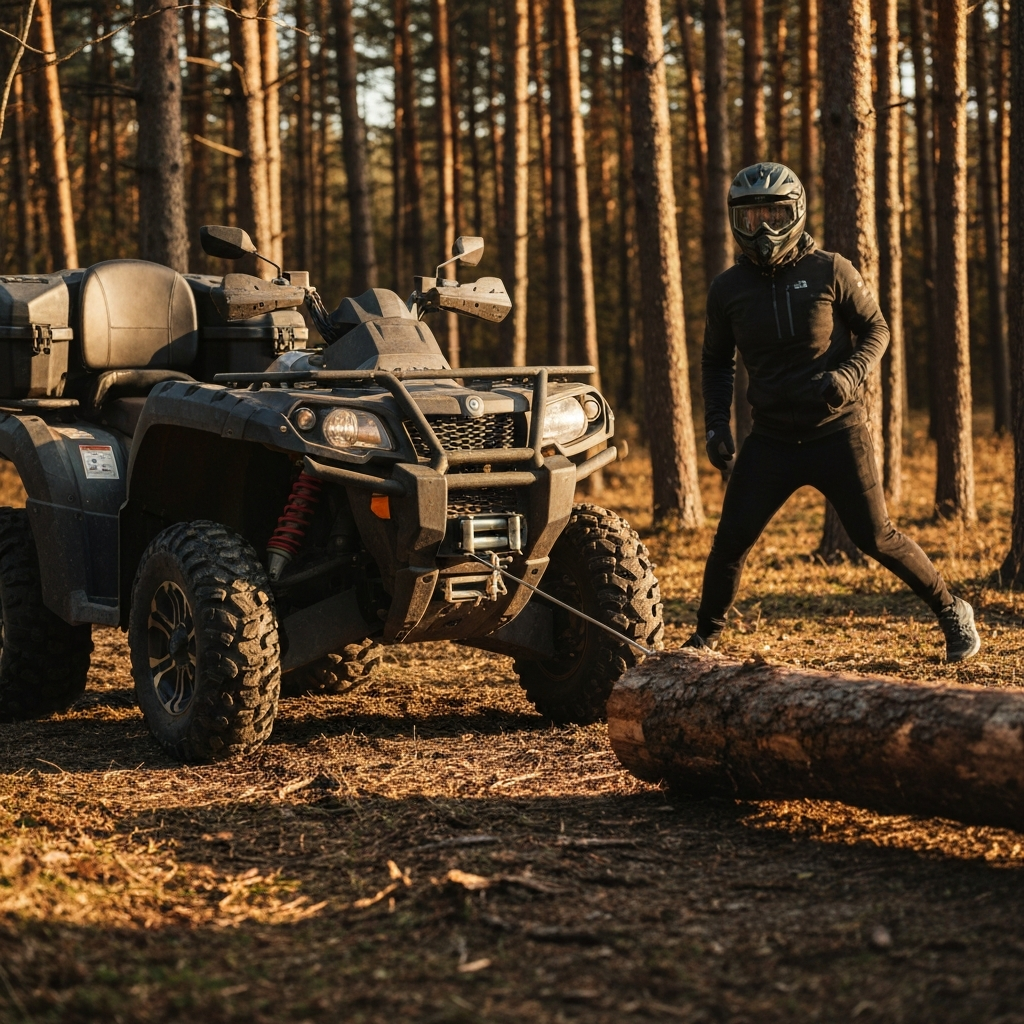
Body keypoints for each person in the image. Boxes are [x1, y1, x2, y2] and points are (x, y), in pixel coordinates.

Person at [686, 161, 980, 663]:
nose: (765, 229)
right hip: (771, 440)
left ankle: (953, 610)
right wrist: (716, 424)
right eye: (752, 217)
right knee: (730, 543)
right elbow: (716, 362)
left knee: (878, 538)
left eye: (776, 214)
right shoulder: (728, 289)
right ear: (736, 221)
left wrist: (847, 377)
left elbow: (877, 330)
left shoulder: (830, 269)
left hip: (836, 433)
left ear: (797, 212)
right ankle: (704, 640)